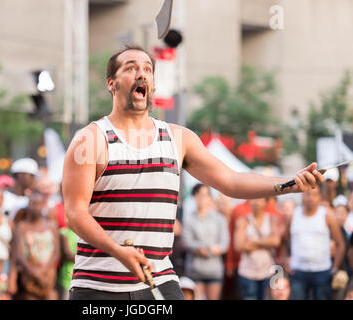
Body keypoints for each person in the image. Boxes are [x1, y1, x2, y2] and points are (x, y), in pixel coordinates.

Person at [62, 45, 324, 300]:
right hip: (98, 285)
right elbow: (75, 214)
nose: (141, 74)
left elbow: (231, 181)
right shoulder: (91, 140)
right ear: (112, 83)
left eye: (147, 69)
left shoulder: (178, 139)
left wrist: (288, 184)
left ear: (152, 85)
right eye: (131, 68)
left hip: (159, 280)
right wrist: (119, 252)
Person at [281, 185, 345, 300]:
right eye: (307, 194)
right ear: (302, 196)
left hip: (322, 271)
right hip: (298, 271)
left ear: (319, 197)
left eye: (314, 195)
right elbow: (284, 241)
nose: (310, 198)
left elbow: (340, 244)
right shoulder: (293, 216)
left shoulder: (327, 216)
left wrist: (334, 268)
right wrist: (285, 259)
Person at [182, 184, 229, 300]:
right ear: (194, 197)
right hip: (195, 270)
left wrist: (212, 249)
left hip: (214, 270)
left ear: (210, 198)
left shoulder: (219, 218)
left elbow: (224, 242)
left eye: (206, 195)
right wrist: (202, 248)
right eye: (200, 195)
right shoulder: (189, 218)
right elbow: (186, 241)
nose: (203, 198)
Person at [12, 192, 60, 300]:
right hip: (28, 276)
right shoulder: (22, 226)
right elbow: (20, 255)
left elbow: (56, 253)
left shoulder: (51, 225)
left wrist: (43, 271)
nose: (36, 207)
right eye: (33, 203)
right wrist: (35, 273)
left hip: (47, 275)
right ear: (28, 205)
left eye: (39, 204)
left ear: (43, 205)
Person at [234, 198, 280, 300]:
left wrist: (253, 241)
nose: (256, 202)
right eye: (253, 199)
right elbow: (239, 245)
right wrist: (266, 242)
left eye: (260, 199)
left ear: (265, 202)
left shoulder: (272, 219)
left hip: (268, 271)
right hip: (247, 271)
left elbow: (275, 241)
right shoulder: (243, 220)